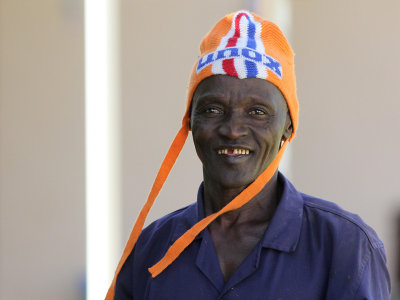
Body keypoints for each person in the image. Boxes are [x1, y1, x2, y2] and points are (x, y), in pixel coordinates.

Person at [106, 11, 391, 299]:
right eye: (213, 110)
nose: (232, 130)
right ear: (190, 121)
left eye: (257, 112)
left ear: (288, 126)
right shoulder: (151, 250)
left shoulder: (345, 247)